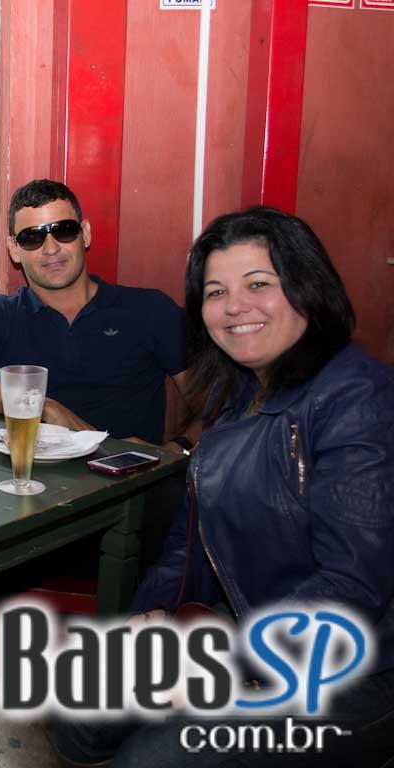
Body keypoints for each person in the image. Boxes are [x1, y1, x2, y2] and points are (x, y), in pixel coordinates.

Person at [52, 207, 394, 767]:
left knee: (153, 761)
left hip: (360, 666)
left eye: (259, 284)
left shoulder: (360, 400)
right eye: (215, 291)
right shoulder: (239, 393)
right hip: (250, 625)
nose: (235, 306)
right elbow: (189, 546)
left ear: (308, 289)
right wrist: (149, 623)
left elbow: (352, 585)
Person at [0, 179, 199, 451]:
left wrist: (177, 448)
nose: (50, 248)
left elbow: (217, 403)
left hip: (126, 482)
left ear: (85, 234)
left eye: (64, 231)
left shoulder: (150, 310)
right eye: (32, 237)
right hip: (23, 478)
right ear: (14, 249)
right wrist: (41, 406)